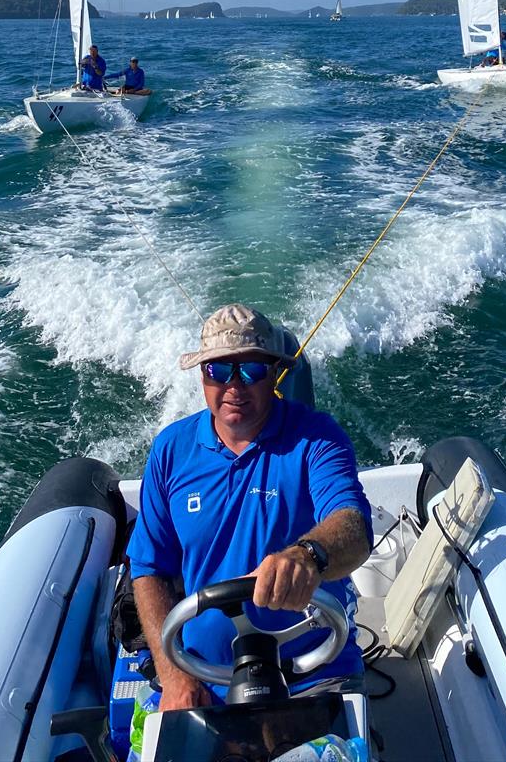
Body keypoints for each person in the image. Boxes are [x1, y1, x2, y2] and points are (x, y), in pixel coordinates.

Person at [128, 304, 373, 713]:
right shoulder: (170, 450)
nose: (235, 386)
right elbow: (148, 568)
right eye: (220, 371)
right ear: (203, 376)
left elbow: (353, 527)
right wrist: (176, 677)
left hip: (311, 672)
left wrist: (306, 556)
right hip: (201, 678)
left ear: (275, 374)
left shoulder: (317, 439)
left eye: (252, 371)